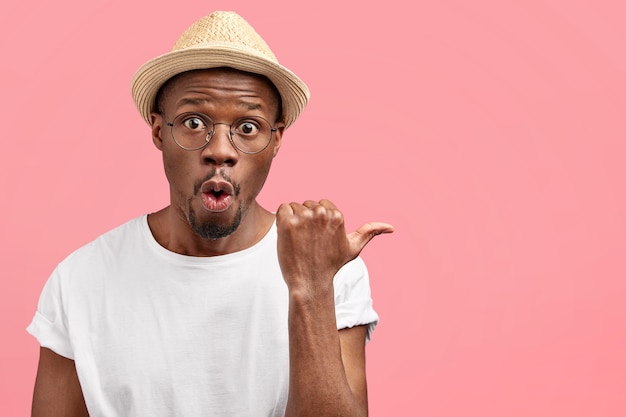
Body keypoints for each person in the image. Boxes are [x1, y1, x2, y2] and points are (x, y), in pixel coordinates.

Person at [27, 11, 393, 417]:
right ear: (157, 132)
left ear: (277, 140)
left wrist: (310, 287)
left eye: (249, 127)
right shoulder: (80, 280)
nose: (220, 149)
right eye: (194, 122)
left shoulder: (331, 272)